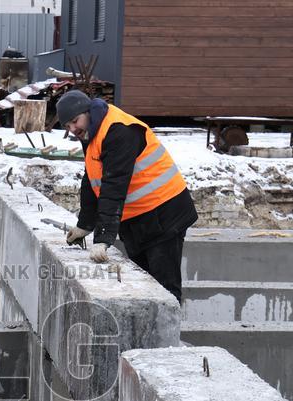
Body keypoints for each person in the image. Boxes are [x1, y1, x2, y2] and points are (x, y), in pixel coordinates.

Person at [57, 89, 198, 303]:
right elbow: (92, 179)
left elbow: (114, 186)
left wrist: (103, 238)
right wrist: (86, 224)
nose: (73, 129)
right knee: (144, 287)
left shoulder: (118, 130)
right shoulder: (91, 132)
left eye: (75, 121)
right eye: (67, 126)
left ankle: (167, 335)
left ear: (88, 112)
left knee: (165, 291)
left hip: (164, 214)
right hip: (139, 219)